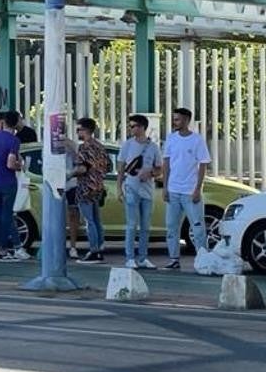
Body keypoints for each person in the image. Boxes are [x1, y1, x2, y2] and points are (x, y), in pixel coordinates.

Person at [160, 107, 212, 271]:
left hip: (190, 191)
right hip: (173, 190)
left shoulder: (197, 140)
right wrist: (165, 187)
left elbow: (203, 164)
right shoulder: (171, 139)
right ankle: (174, 258)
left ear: (187, 120)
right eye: (174, 119)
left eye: (178, 119)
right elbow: (167, 163)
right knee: (171, 226)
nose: (175, 122)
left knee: (197, 226)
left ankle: (202, 259)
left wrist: (198, 189)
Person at [118, 114, 164, 270]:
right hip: (131, 188)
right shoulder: (127, 145)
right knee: (132, 224)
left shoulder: (153, 147)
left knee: (145, 226)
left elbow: (159, 169)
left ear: (142, 127)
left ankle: (143, 257)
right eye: (130, 126)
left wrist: (150, 173)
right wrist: (119, 188)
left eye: (134, 126)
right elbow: (121, 168)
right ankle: (130, 257)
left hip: (147, 190)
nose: (131, 129)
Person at [0, 111, 24, 262]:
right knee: (6, 215)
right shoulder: (14, 141)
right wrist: (19, 165)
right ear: (15, 123)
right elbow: (10, 163)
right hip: (8, 182)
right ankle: (3, 248)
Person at [74, 118, 111, 265]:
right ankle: (100, 247)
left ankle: (94, 250)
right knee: (96, 220)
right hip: (98, 186)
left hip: (85, 187)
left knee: (89, 221)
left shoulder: (84, 148)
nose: (77, 132)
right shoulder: (100, 147)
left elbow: (82, 168)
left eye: (79, 130)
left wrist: (69, 174)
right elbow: (108, 166)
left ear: (86, 130)